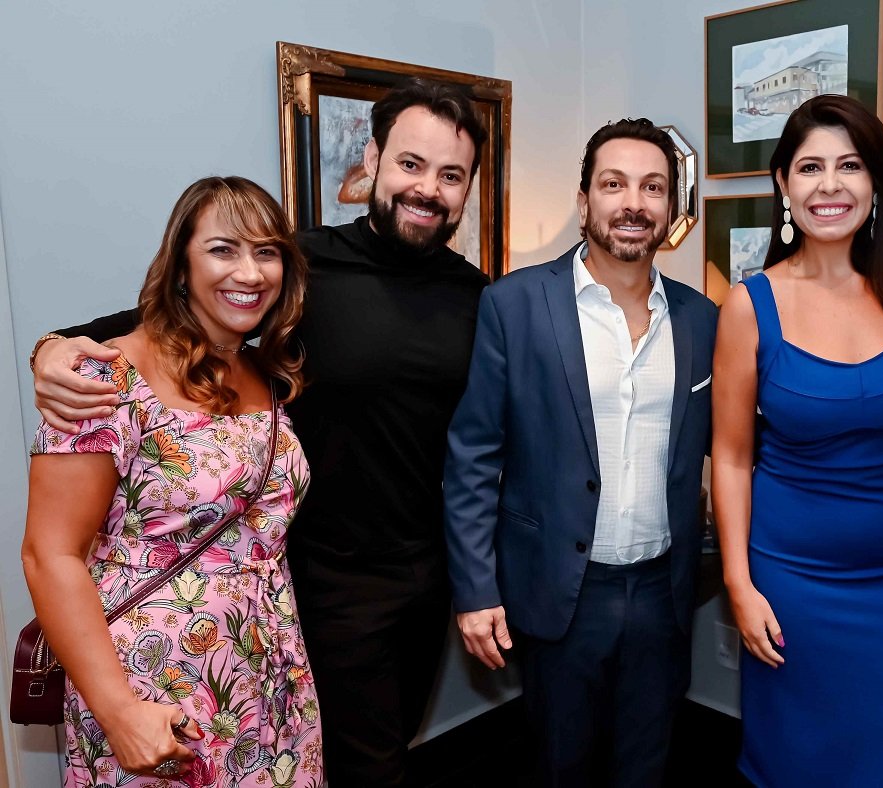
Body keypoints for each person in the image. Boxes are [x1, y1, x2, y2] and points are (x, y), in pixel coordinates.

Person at [29, 79, 490, 786]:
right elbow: (154, 322)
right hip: (320, 580)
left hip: (415, 581)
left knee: (358, 750)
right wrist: (53, 346)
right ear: (372, 160)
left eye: (450, 175)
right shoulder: (296, 267)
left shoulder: (478, 296)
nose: (427, 188)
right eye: (410, 163)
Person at [21, 176, 323, 786]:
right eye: (223, 249)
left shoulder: (263, 371)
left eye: (266, 252)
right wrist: (118, 712)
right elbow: (49, 555)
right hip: (155, 686)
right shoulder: (106, 379)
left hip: (270, 673)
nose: (249, 272)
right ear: (181, 265)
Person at [443, 118, 717, 787]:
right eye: (614, 184)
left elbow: (733, 448)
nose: (634, 203)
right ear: (584, 199)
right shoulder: (514, 304)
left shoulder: (702, 318)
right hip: (560, 590)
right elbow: (473, 455)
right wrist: (475, 589)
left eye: (653, 187)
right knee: (560, 766)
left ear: (671, 207)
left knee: (647, 766)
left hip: (663, 590)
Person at [710, 94, 883, 788]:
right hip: (789, 581)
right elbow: (730, 456)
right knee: (793, 763)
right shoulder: (750, 305)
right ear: (783, 184)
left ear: (876, 182)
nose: (830, 185)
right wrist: (738, 583)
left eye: (850, 166)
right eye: (810, 167)